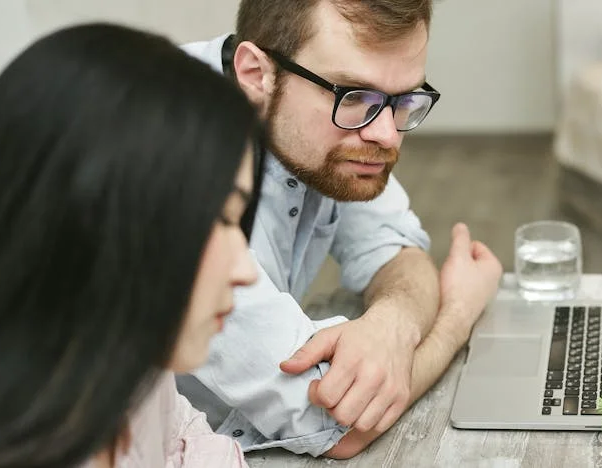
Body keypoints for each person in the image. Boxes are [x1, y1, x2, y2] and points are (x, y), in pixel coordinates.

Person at [175, 0, 504, 459]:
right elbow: (335, 424)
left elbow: (395, 248)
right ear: (256, 73)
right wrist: (458, 317)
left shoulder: (325, 133)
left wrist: (394, 322)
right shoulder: (170, 159)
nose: (387, 135)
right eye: (354, 96)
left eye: (404, 100)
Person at [0, 22, 264, 468]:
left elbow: (187, 435)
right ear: (94, 212)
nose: (245, 269)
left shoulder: (130, 360)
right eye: (220, 217)